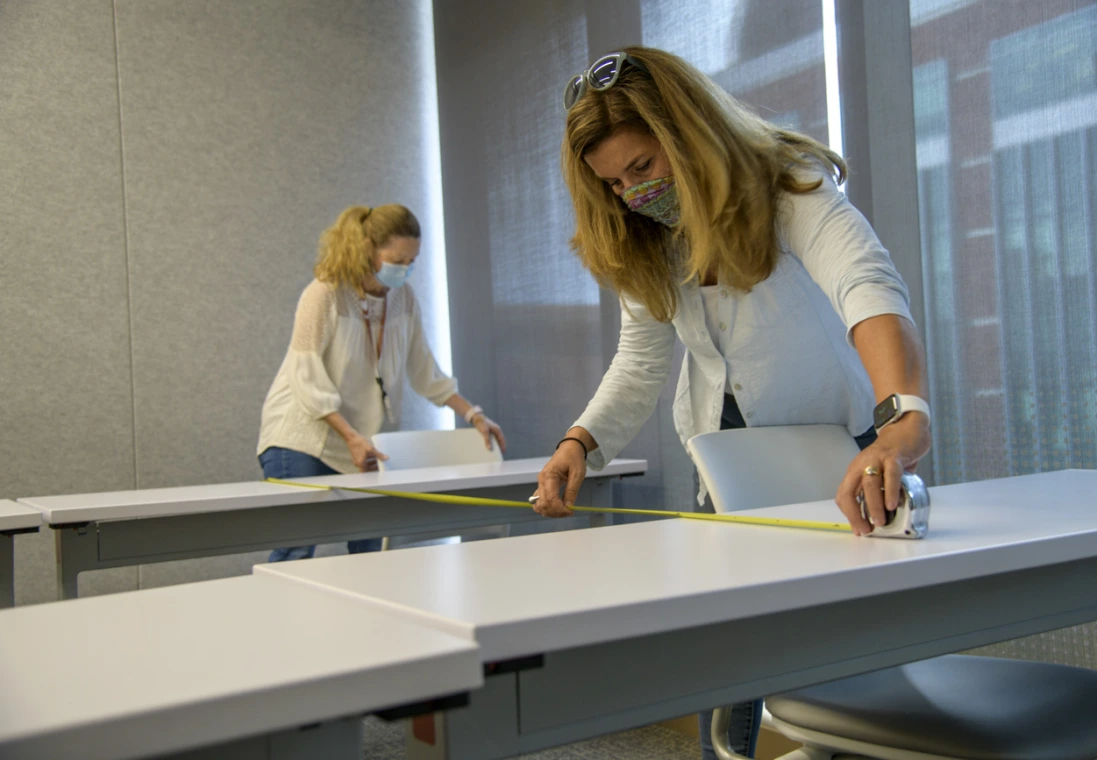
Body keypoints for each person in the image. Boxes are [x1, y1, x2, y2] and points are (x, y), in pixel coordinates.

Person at [531, 47, 931, 760]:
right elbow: (641, 359)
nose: (633, 193)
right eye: (614, 182)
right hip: (729, 467)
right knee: (734, 667)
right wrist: (579, 442)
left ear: (688, 136)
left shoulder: (789, 191)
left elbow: (868, 288)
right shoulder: (648, 241)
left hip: (838, 463)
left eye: (644, 167)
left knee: (849, 661)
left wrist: (902, 418)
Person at [257, 204, 505, 561]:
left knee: (373, 549)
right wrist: (352, 437)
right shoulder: (325, 293)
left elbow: (426, 372)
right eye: (397, 260)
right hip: (302, 439)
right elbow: (305, 375)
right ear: (367, 248)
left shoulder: (404, 299)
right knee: (298, 546)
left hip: (361, 444)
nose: (405, 269)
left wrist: (475, 416)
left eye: (411, 261)